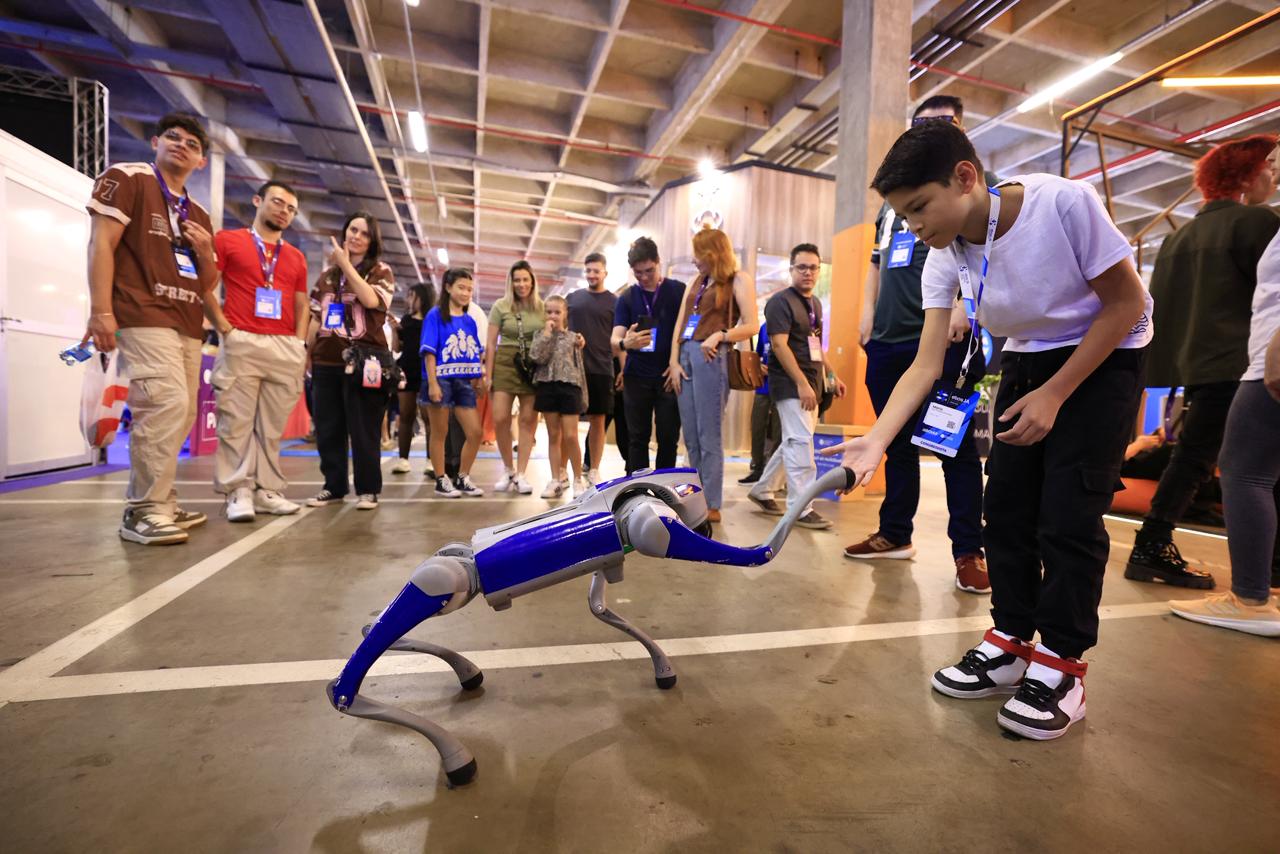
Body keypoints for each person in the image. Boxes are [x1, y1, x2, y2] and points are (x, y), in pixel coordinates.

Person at [824, 121, 1153, 740]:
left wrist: (1056, 394)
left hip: (1106, 353)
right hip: (1028, 356)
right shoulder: (944, 256)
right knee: (1004, 507)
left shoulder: (1062, 203)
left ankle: (1062, 664)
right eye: (903, 215)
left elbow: (1126, 304)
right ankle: (1011, 639)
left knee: (1067, 513)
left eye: (920, 206)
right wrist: (877, 437)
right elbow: (925, 363)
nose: (915, 225)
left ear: (966, 178)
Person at [847, 95, 994, 593]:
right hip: (888, 340)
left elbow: (978, 259)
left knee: (950, 446)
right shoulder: (894, 211)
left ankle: (968, 549)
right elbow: (875, 264)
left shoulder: (969, 197)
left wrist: (964, 306)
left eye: (942, 124)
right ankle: (894, 533)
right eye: (920, 125)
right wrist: (868, 313)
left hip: (940, 338)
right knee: (895, 445)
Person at [1127, 135, 1280, 589]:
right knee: (1258, 469)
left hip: (1198, 366)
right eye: (1268, 167)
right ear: (1248, 176)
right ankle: (1268, 569)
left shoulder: (1178, 238)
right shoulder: (1259, 224)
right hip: (1248, 362)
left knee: (1193, 458)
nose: (1273, 174)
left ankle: (1151, 546)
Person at [84, 113, 219, 545]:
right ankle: (142, 510)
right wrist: (101, 311)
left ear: (201, 162)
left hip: (186, 323)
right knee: (163, 404)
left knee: (180, 412)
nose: (182, 145)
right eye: (173, 138)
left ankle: (162, 500)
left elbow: (208, 282)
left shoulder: (197, 212)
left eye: (193, 145)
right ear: (155, 141)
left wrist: (204, 250)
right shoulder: (128, 178)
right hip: (142, 314)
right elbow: (101, 243)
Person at [1171, 226, 1280, 635]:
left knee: (1245, 472)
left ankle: (1249, 598)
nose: (1270, 161)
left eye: (1274, 155)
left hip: (1269, 359)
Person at [204, 180, 308, 522]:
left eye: (291, 208)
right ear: (257, 201)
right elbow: (206, 285)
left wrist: (299, 340)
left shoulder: (295, 256)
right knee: (235, 421)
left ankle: (267, 490)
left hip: (284, 345)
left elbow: (300, 301)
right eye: (278, 202)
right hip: (241, 339)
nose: (284, 211)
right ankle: (238, 490)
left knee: (272, 426)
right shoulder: (228, 240)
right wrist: (224, 329)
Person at [747, 244, 846, 530]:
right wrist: (802, 383)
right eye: (801, 267)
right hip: (791, 385)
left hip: (812, 384)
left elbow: (815, 346)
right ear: (791, 269)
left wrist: (832, 376)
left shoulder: (814, 304)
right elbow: (779, 345)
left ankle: (762, 490)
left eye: (814, 267)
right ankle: (801, 508)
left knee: (793, 440)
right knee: (801, 444)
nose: (808, 272)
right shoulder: (780, 302)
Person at [667, 228, 759, 524]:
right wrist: (673, 362)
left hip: (711, 357)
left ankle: (712, 503)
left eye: (699, 254)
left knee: (710, 436)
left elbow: (753, 325)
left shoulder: (738, 280)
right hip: (685, 358)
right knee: (691, 438)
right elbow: (680, 324)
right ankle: (694, 499)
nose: (694, 260)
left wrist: (721, 335)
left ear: (712, 253)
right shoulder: (696, 281)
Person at [305, 212, 396, 510]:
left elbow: (371, 301)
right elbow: (316, 317)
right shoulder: (327, 277)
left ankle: (368, 489)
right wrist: (306, 352)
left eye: (364, 233)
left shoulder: (381, 271)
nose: (356, 236)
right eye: (352, 230)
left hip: (365, 362)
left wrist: (345, 265)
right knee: (328, 427)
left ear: (372, 241)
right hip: (326, 361)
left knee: (364, 427)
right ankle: (333, 486)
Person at [611, 237, 686, 475]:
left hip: (667, 377)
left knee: (668, 437)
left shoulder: (678, 292)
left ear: (658, 262)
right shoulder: (627, 297)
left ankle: (664, 492)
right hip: (637, 377)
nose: (644, 277)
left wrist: (677, 363)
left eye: (649, 271)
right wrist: (625, 342)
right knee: (637, 438)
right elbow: (614, 341)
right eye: (638, 273)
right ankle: (637, 492)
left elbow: (689, 332)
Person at [421, 268, 486, 498]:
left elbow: (475, 352)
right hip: (440, 379)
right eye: (461, 287)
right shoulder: (435, 315)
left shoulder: (469, 321)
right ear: (447, 287)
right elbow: (429, 353)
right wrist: (432, 384)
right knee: (440, 432)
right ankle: (441, 479)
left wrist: (479, 378)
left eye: (469, 289)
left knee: (475, 432)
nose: (466, 292)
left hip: (464, 382)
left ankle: (462, 476)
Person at [486, 261, 545, 494]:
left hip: (533, 365)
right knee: (500, 418)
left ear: (532, 281)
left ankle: (521, 473)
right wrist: (488, 374)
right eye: (517, 280)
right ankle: (508, 469)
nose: (521, 284)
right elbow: (490, 343)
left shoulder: (541, 307)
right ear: (511, 282)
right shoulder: (500, 306)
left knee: (528, 420)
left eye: (525, 279)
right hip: (505, 362)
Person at [567, 252, 618, 487]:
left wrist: (623, 369)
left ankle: (594, 469)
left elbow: (620, 339)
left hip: (602, 368)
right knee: (567, 423)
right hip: (572, 370)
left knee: (598, 421)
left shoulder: (615, 302)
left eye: (596, 271)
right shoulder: (572, 299)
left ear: (605, 272)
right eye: (588, 270)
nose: (591, 275)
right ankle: (568, 472)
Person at [530, 295, 588, 498]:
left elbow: (579, 368)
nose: (553, 316)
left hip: (570, 387)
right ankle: (555, 479)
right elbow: (537, 356)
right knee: (553, 435)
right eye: (549, 312)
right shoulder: (540, 335)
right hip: (547, 386)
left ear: (565, 314)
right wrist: (546, 334)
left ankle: (578, 478)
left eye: (557, 312)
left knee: (571, 436)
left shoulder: (574, 338)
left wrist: (583, 393)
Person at [390, 283, 436, 476]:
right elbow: (397, 348)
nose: (409, 300)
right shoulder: (406, 320)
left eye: (412, 296)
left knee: (429, 418)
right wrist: (394, 330)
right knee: (406, 415)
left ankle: (431, 460)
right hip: (407, 370)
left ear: (423, 298)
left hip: (427, 372)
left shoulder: (433, 319)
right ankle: (403, 459)